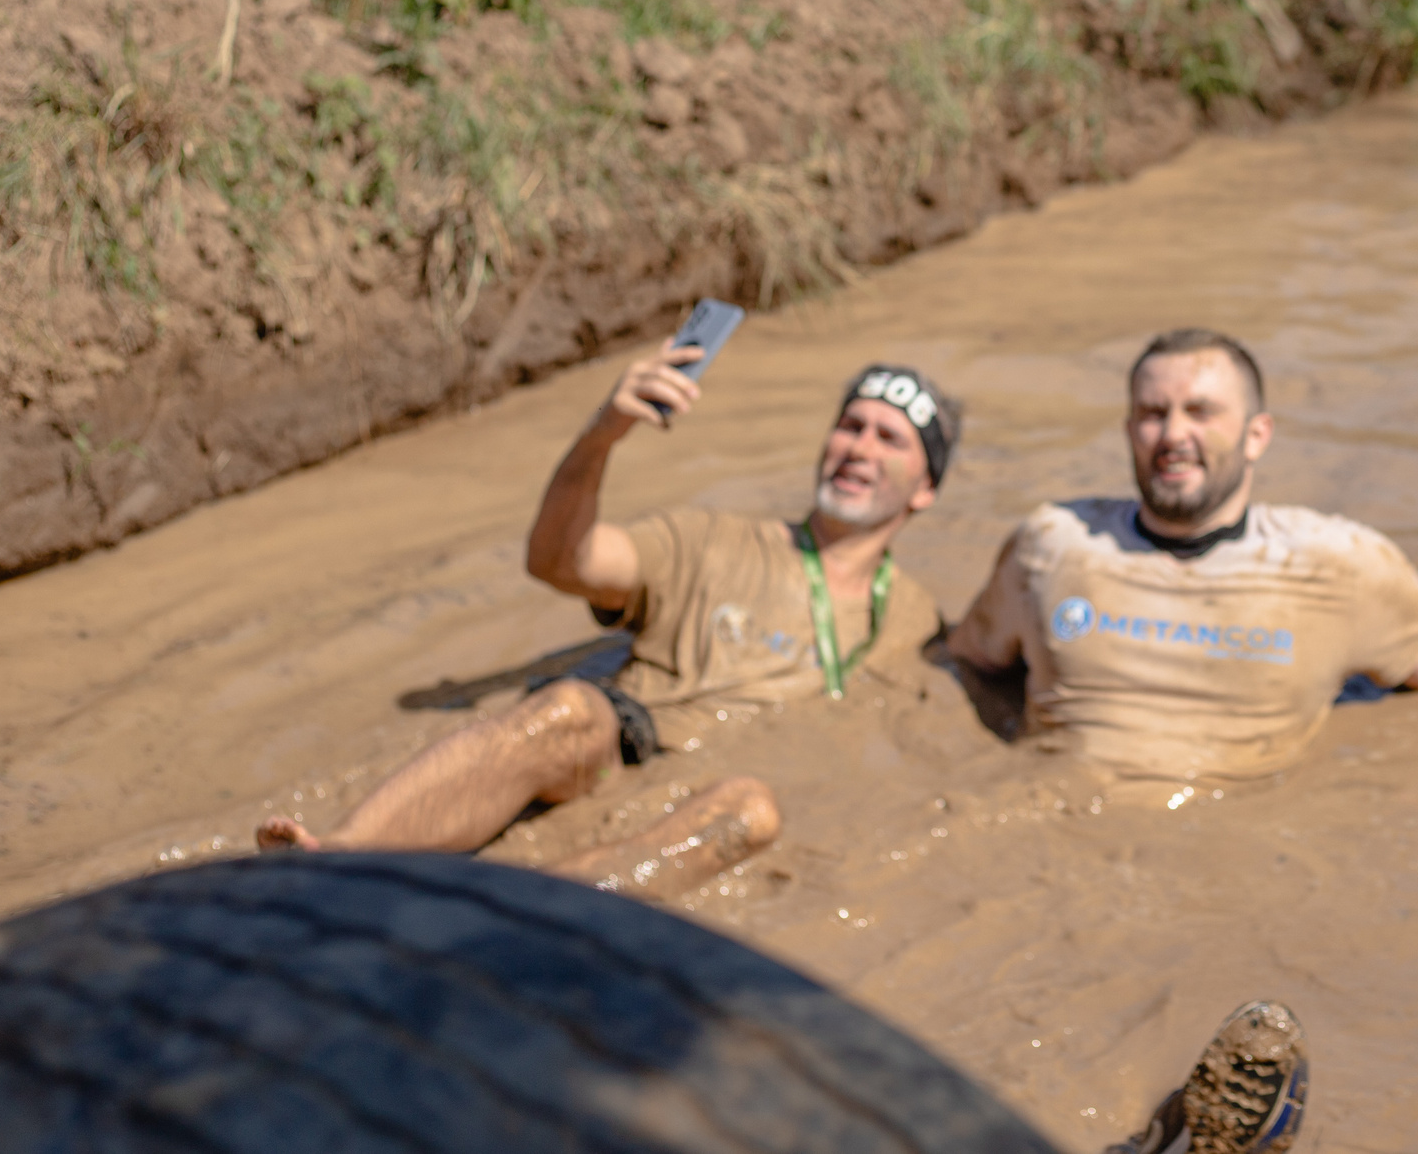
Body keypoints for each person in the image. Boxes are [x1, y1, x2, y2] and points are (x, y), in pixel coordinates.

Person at [257, 348, 959, 898]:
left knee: (753, 808)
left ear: (926, 486)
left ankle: (515, 921)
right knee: (568, 706)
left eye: (889, 437)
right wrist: (603, 433)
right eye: (850, 424)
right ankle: (333, 861)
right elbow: (561, 560)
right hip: (625, 743)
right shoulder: (709, 539)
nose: (859, 446)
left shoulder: (917, 618)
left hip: (723, 792)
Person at [945, 328, 1418, 786]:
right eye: (1152, 414)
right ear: (1129, 431)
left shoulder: (1341, 564)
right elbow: (965, 664)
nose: (1173, 435)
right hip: (1052, 821)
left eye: (1200, 411)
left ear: (1256, 435)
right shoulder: (1053, 544)